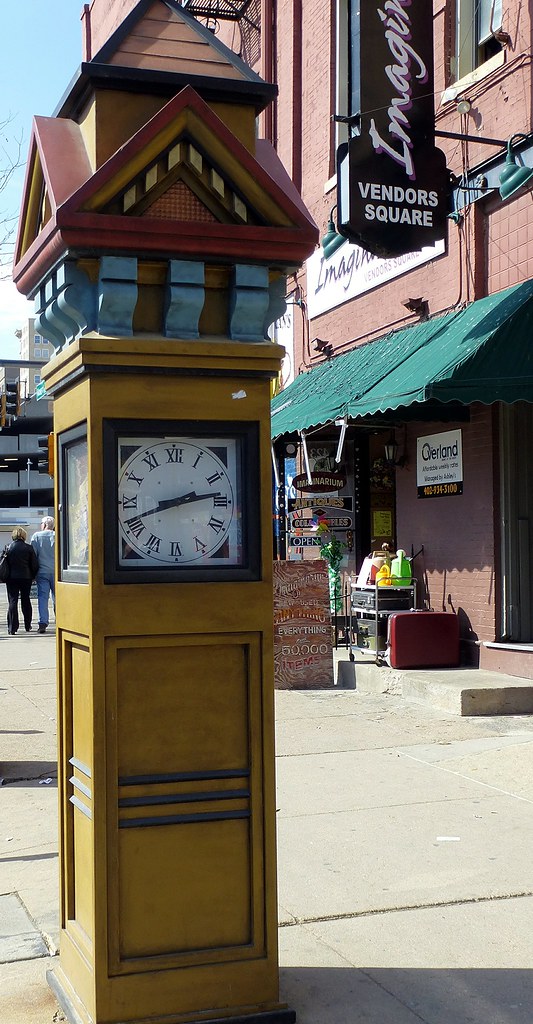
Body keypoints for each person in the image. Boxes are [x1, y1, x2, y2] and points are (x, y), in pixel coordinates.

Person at [5, 527, 39, 635]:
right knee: (26, 600)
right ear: (24, 536)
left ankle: (12, 627)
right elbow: (34, 564)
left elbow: (4, 563)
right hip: (26, 577)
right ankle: (27, 624)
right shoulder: (28, 548)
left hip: (11, 578)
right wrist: (33, 576)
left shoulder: (8, 547)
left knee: (12, 601)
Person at [31, 517, 56, 634]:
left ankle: (43, 622)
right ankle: (60, 620)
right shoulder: (58, 536)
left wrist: (33, 572)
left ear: (45, 524)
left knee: (43, 597)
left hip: (42, 571)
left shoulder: (36, 536)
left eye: (41, 523)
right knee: (57, 598)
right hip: (57, 571)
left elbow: (33, 556)